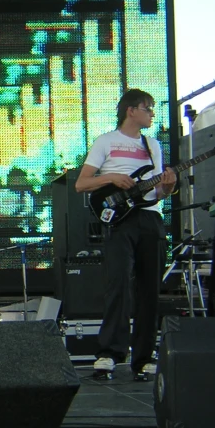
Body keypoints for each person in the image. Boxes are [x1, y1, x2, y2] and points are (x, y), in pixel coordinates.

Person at [75, 88, 176, 381]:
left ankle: (144, 358)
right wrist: (112, 177)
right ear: (131, 110)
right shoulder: (106, 141)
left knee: (149, 290)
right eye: (148, 108)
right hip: (120, 220)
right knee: (118, 284)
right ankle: (108, 354)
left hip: (151, 219)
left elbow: (158, 191)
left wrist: (168, 186)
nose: (152, 114)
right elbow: (82, 184)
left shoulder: (152, 145)